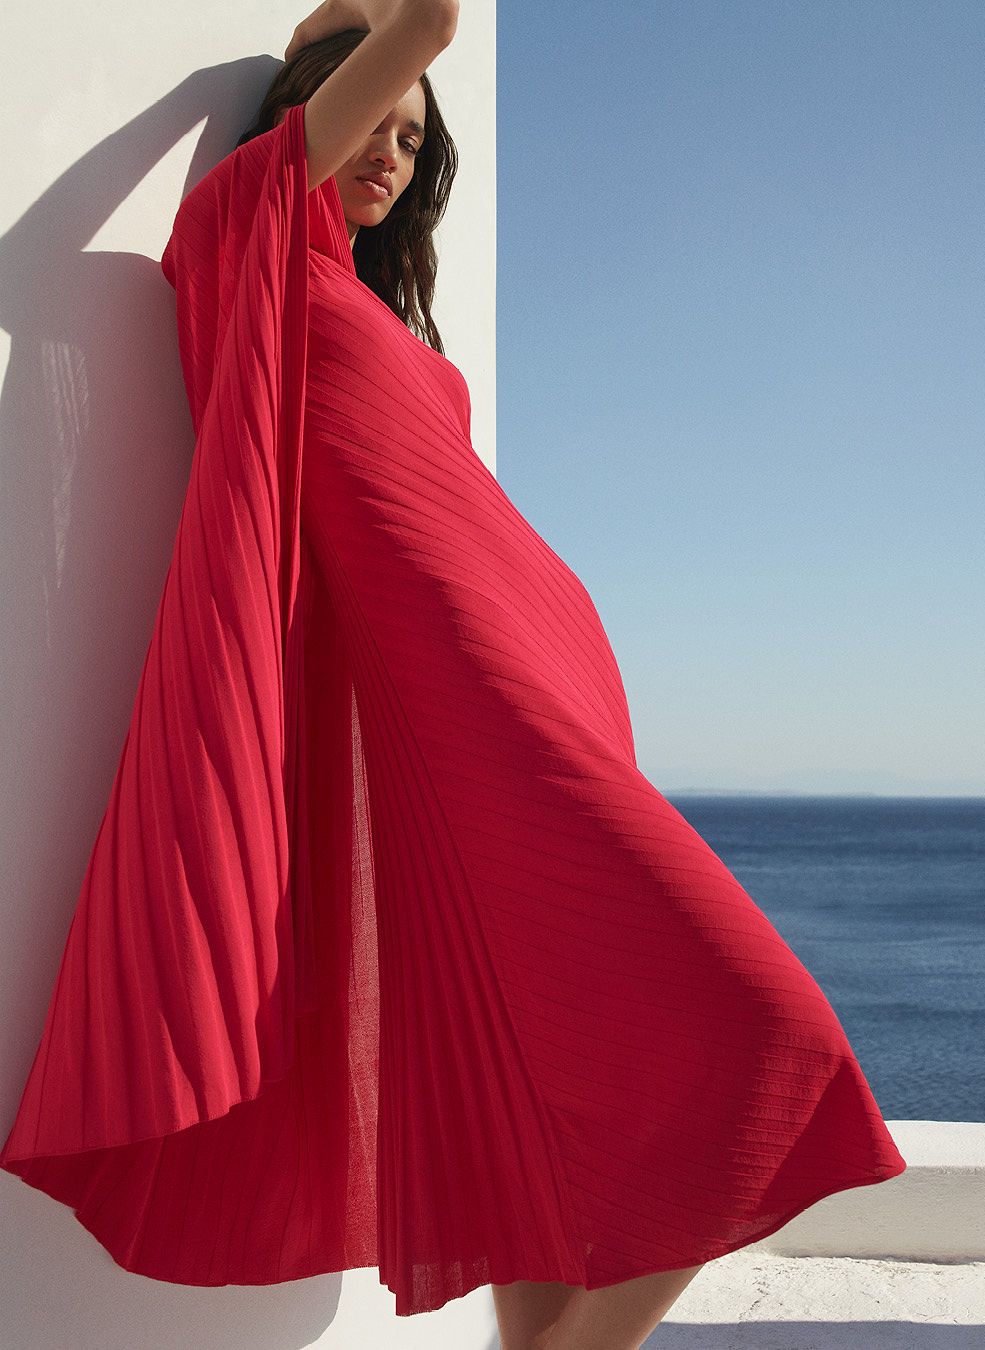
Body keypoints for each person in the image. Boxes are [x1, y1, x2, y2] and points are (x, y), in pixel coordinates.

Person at [0, 3, 907, 1347]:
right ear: (312, 117)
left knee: (543, 1107)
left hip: (528, 686)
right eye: (378, 117)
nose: (396, 154)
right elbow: (428, 18)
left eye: (416, 142)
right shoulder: (245, 239)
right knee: (771, 1029)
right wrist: (360, 26)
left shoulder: (372, 310)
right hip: (458, 699)